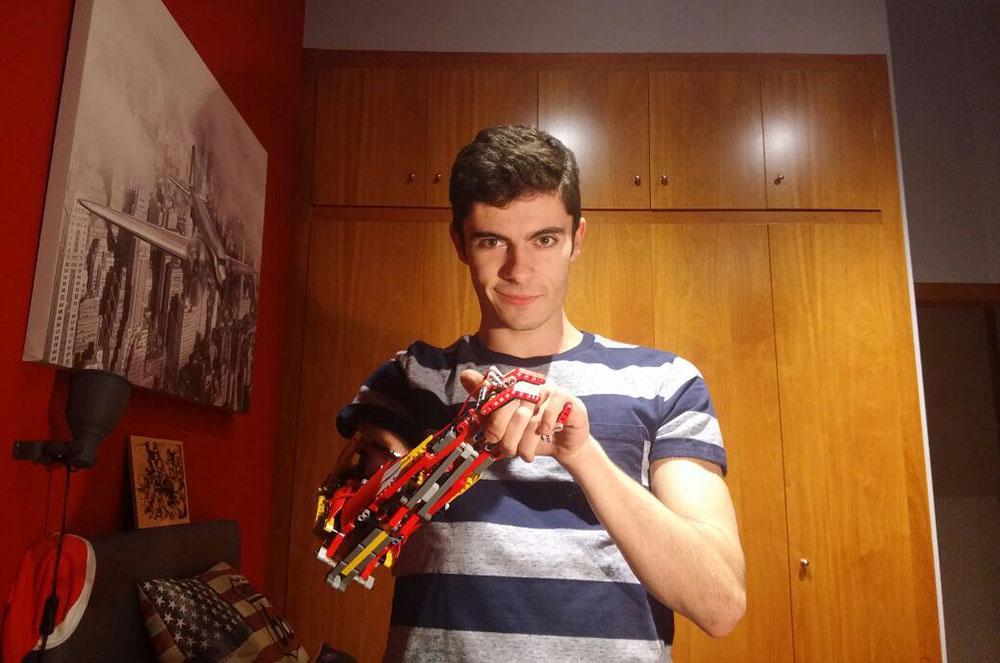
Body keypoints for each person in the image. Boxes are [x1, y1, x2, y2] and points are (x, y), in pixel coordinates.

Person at [335, 125, 746, 662]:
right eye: (491, 241)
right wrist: (457, 440)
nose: (519, 270)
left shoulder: (666, 382)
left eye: (544, 239)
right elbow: (346, 543)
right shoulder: (410, 379)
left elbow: (719, 604)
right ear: (460, 243)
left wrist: (582, 454)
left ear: (577, 238)